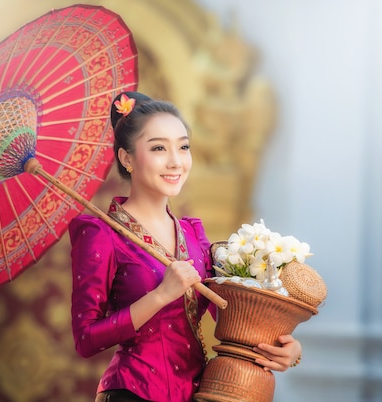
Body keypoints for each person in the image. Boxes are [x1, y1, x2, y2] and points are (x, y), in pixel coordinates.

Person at [69, 91, 302, 402]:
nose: (176, 161)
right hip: (132, 392)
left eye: (183, 147)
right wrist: (161, 295)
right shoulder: (101, 233)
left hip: (197, 392)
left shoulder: (192, 233)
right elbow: (87, 339)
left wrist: (284, 347)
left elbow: (229, 316)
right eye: (158, 148)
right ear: (126, 158)